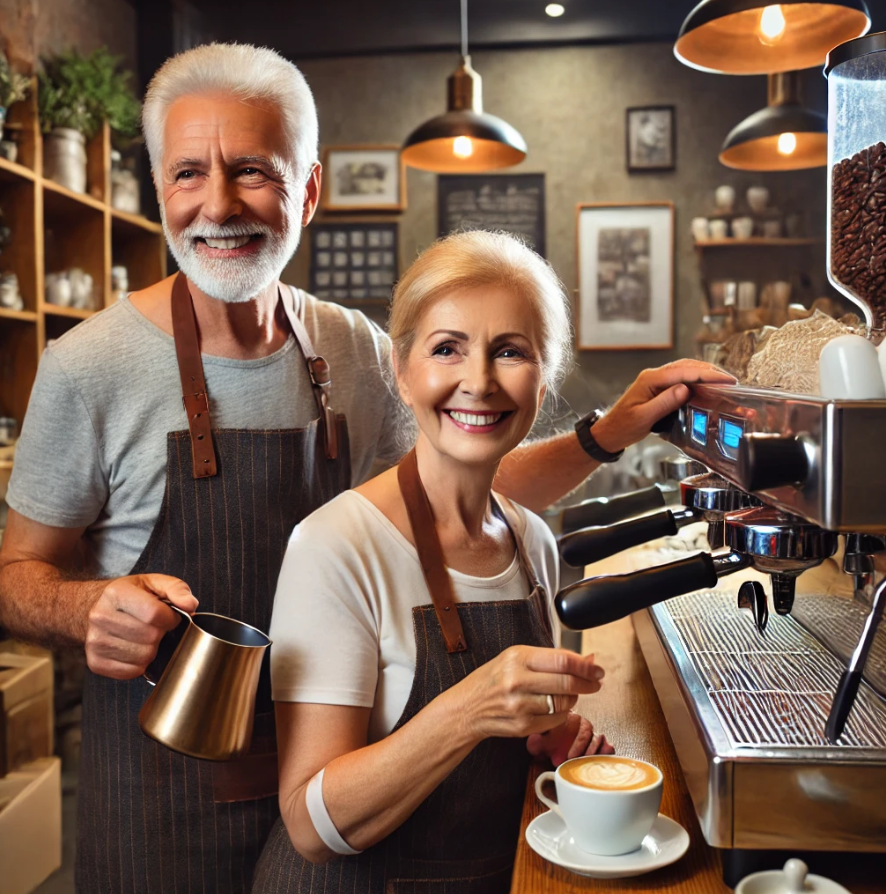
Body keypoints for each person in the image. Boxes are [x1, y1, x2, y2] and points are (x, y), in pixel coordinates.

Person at [0, 43, 733, 894]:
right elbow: (15, 577)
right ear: (161, 185)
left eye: (252, 171)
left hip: (357, 773)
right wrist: (84, 604)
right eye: (188, 173)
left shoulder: (351, 347)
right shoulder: (87, 366)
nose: (217, 204)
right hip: (169, 791)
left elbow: (444, 505)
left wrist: (603, 436)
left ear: (308, 191)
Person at [251, 231, 657, 892]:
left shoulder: (535, 546)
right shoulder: (336, 545)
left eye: (510, 352)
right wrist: (470, 707)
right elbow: (309, 826)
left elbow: (507, 730)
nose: (479, 381)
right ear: (401, 371)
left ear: (544, 377)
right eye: (447, 349)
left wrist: (548, 735)